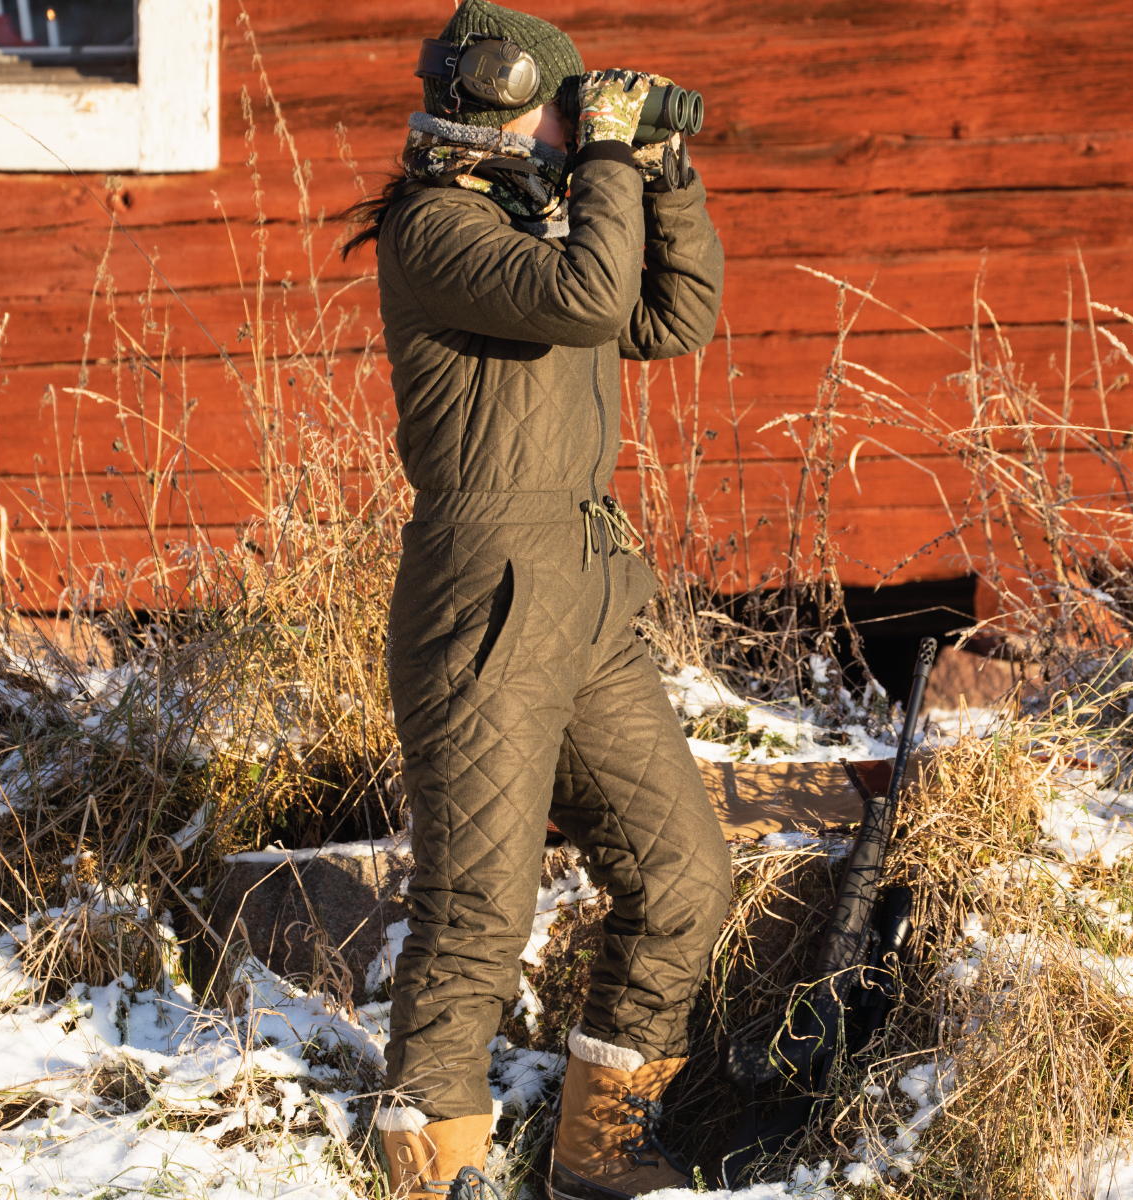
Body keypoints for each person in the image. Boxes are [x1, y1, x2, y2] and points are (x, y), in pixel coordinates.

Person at [342, 3, 731, 1197]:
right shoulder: (438, 228)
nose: (574, 129)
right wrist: (608, 159)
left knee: (681, 880)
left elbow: (667, 317)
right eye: (567, 109)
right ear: (512, 95)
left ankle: (599, 1149)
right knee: (477, 906)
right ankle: (433, 1168)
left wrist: (662, 173)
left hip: (589, 591)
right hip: (488, 590)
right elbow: (581, 300)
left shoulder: (543, 225)